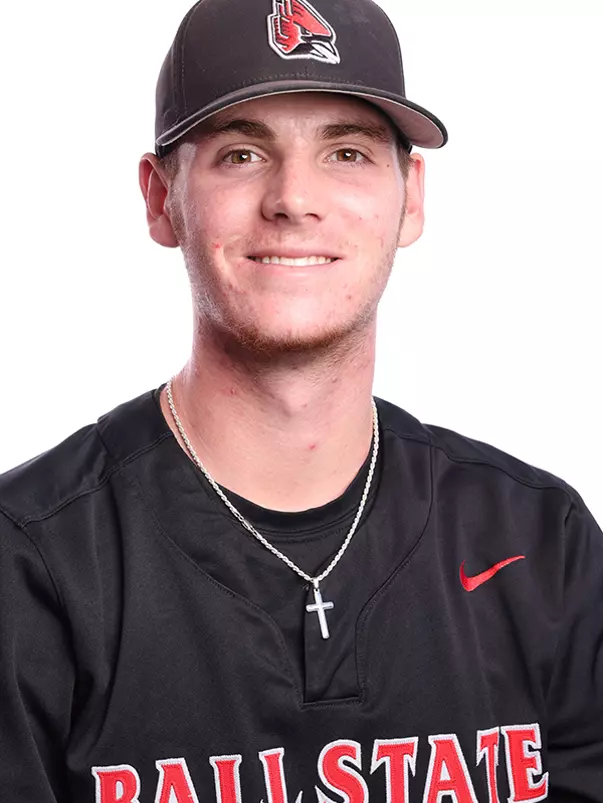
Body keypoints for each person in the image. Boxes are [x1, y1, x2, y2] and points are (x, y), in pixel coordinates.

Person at [1, 0, 601, 799]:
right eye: (243, 153)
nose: (293, 198)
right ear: (159, 198)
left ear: (410, 197)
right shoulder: (29, 564)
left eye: (346, 152)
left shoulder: (537, 540)